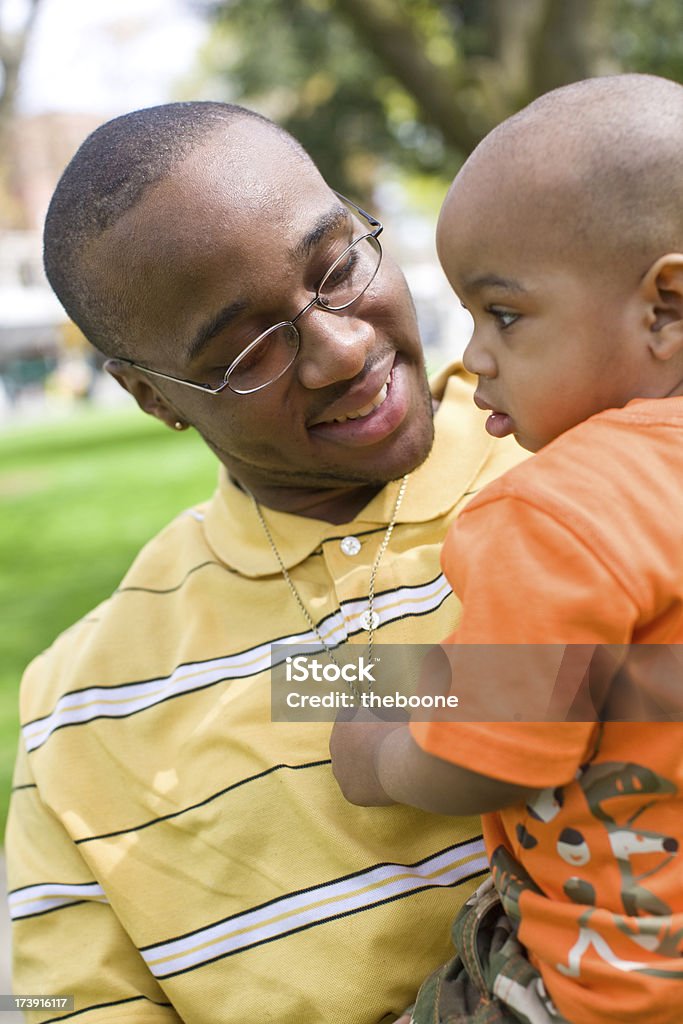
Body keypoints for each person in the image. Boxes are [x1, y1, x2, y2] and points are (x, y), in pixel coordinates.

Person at [5, 102, 524, 1024]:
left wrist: (375, 697)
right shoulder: (79, 711)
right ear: (150, 395)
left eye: (337, 268)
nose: (342, 349)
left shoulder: (612, 477)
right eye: (246, 350)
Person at [330, 73, 683, 1024]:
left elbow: (500, 748)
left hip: (601, 990)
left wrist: (371, 750)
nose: (474, 355)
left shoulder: (564, 505)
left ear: (666, 307)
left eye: (506, 315)